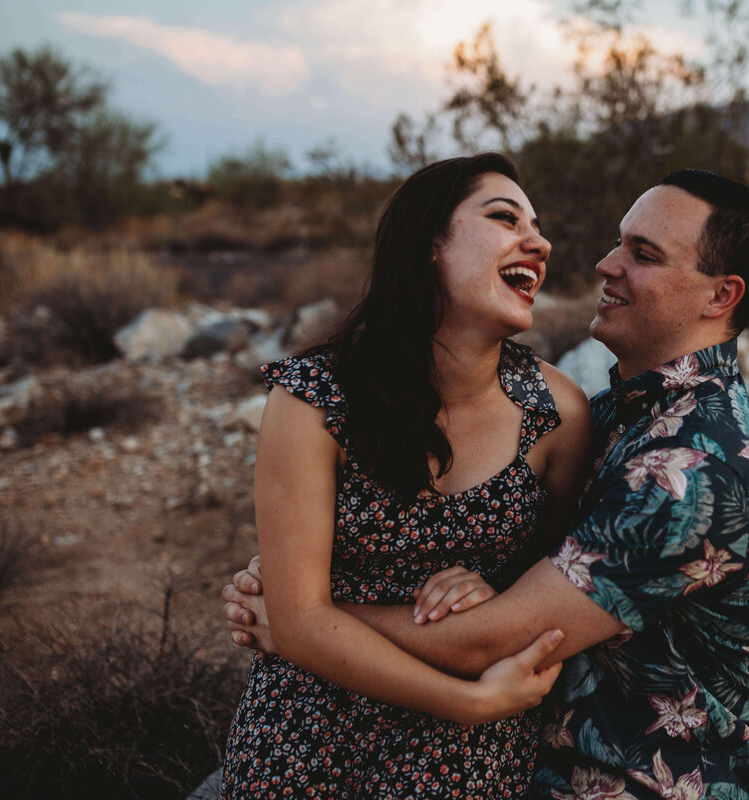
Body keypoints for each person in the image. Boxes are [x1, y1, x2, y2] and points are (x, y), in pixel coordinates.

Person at [225, 168, 749, 800]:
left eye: (643, 254)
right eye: (505, 219)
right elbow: (532, 567)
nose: (600, 263)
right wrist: (303, 585)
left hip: (620, 782)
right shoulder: (623, 414)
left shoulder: (698, 461)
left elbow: (495, 636)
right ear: (428, 241)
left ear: (720, 297)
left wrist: (303, 620)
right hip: (381, 740)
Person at [218, 152, 596, 799]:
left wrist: (490, 586)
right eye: (505, 218)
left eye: (537, 227)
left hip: (468, 737)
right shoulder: (314, 398)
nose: (539, 242)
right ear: (429, 245)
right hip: (312, 707)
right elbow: (299, 619)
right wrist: (466, 702)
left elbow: (546, 593)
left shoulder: (558, 415)